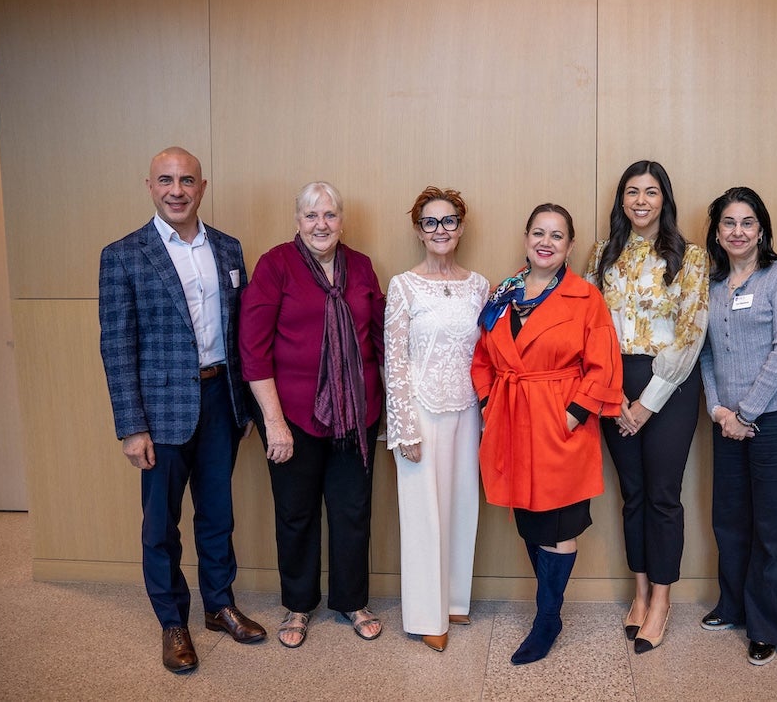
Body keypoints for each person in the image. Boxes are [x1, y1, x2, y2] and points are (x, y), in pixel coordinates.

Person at [99, 147, 266, 673]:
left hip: (221, 398)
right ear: (149, 185)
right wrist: (132, 427)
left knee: (218, 514)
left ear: (202, 186)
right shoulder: (124, 254)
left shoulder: (228, 248)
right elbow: (116, 346)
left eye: (187, 180)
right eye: (166, 180)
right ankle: (173, 621)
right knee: (161, 525)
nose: (177, 190)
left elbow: (242, 332)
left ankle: (219, 604)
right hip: (161, 410)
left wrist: (247, 409)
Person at [472, 203, 623, 665]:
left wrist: (575, 413)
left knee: (558, 526)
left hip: (560, 423)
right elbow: (481, 357)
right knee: (530, 521)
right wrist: (487, 402)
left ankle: (546, 620)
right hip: (512, 421)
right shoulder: (504, 292)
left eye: (557, 236)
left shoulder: (585, 298)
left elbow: (604, 362)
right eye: (539, 232)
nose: (546, 241)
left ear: (570, 246)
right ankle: (549, 611)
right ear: (525, 238)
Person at [240, 181, 385, 649]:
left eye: (329, 215)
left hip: (357, 417)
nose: (321, 225)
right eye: (311, 216)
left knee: (352, 511)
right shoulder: (275, 265)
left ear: (342, 220)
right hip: (292, 417)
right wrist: (274, 422)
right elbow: (253, 349)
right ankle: (299, 605)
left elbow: (381, 339)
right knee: (296, 513)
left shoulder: (361, 266)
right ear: (297, 221)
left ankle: (351, 600)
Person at [584, 160, 708, 654]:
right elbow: (589, 329)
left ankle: (662, 600)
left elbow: (691, 332)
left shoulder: (691, 256)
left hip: (670, 387)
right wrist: (614, 397)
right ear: (621, 200)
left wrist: (646, 404)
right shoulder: (601, 254)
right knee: (631, 494)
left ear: (665, 199)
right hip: (613, 383)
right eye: (632, 192)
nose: (640, 201)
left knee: (662, 496)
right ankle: (639, 595)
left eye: (651, 192)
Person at [697, 187, 777, 666]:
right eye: (729, 223)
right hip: (728, 421)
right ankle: (734, 607)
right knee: (729, 521)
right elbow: (704, 352)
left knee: (771, 527)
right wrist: (719, 411)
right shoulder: (710, 283)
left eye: (747, 222)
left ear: (762, 228)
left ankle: (769, 626)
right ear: (717, 231)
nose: (738, 231)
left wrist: (746, 413)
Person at [384, 187, 489, 653]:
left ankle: (454, 598)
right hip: (420, 409)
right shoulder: (404, 286)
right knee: (424, 512)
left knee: (464, 502)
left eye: (448, 221)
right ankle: (428, 613)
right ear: (418, 230)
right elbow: (394, 359)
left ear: (461, 228)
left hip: (467, 407)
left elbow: (486, 354)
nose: (440, 230)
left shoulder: (480, 285)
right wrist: (404, 425)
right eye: (431, 222)